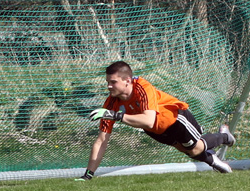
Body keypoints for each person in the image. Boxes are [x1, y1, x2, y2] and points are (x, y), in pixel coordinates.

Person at [76, 61, 235, 180]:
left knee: (195, 148)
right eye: (108, 82)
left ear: (127, 81)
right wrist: (88, 174)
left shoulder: (142, 88)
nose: (109, 86)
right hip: (156, 131)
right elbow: (101, 141)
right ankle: (214, 160)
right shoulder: (111, 103)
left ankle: (224, 136)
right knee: (187, 151)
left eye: (113, 82)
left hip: (175, 119)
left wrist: (115, 116)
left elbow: (149, 120)